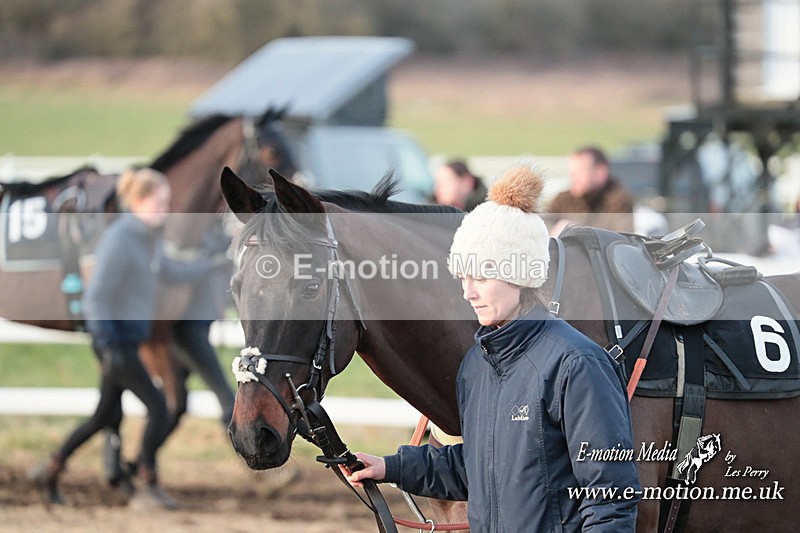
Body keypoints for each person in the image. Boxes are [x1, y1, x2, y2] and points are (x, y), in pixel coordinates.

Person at [343, 166, 641, 531]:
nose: (468, 292)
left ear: (521, 274)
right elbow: (476, 468)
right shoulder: (477, 366)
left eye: (481, 276)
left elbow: (610, 502)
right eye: (463, 277)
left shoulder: (577, 365)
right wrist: (390, 466)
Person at [32, 168, 225, 510]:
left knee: (102, 416)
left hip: (123, 343)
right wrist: (108, 346)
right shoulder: (120, 239)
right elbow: (97, 298)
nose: (166, 209)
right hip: (114, 342)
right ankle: (147, 485)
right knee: (159, 408)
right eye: (160, 203)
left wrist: (212, 265)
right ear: (137, 202)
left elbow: (169, 272)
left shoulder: (148, 239)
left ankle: (49, 469)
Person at [547, 145, 634, 235]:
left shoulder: (618, 201)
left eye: (580, 171)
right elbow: (543, 225)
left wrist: (578, 233)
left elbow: (622, 240)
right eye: (572, 172)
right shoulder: (564, 200)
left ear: (601, 172)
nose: (574, 177)